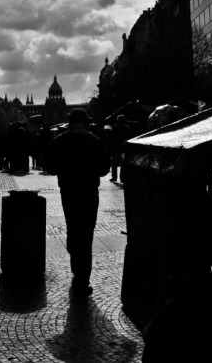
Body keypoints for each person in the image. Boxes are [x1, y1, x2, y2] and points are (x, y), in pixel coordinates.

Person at [45, 108, 111, 296]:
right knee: (86, 235)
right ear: (84, 122)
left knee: (73, 230)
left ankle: (76, 270)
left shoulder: (59, 140)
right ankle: (83, 279)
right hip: (89, 194)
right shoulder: (94, 140)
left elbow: (49, 167)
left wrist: (66, 167)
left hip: (69, 194)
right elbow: (104, 169)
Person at [110, 114, 130, 182]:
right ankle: (122, 177)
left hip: (115, 148)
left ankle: (114, 177)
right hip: (124, 148)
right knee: (123, 163)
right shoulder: (128, 128)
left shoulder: (114, 127)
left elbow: (112, 138)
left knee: (114, 163)